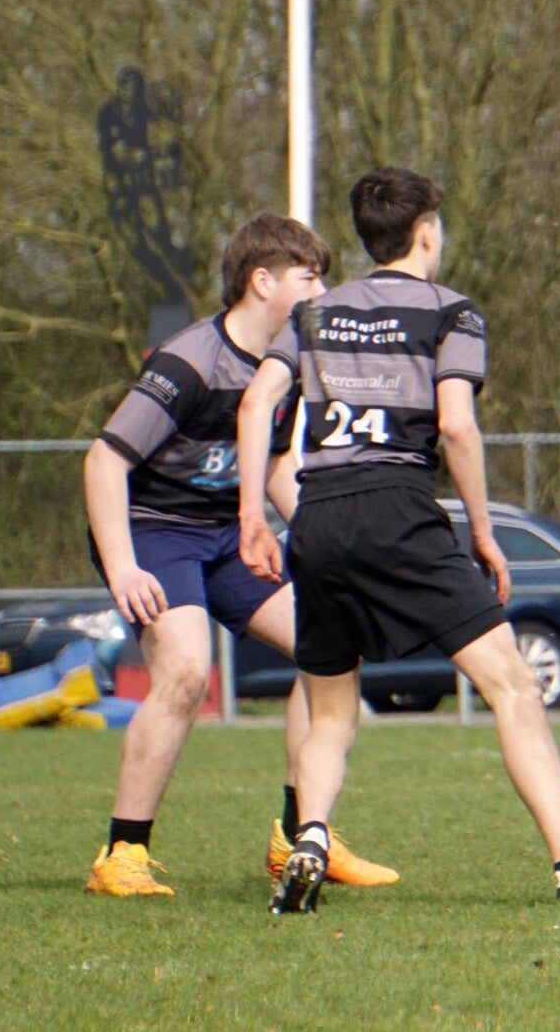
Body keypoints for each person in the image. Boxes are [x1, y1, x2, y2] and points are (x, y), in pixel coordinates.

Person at [235, 167, 560, 912]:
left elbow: (256, 405)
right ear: (425, 233)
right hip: (398, 510)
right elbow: (455, 427)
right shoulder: (451, 312)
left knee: (331, 711)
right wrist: (482, 530)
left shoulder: (314, 312)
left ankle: (309, 834)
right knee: (513, 684)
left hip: (318, 517)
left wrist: (254, 514)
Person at [81, 214, 398, 897]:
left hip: (228, 533)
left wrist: (321, 532)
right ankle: (121, 856)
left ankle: (297, 839)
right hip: (154, 530)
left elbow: (276, 460)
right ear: (262, 281)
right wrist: (123, 564)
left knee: (330, 647)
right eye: (309, 278)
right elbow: (104, 459)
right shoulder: (190, 362)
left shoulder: (289, 364)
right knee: (185, 671)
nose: (322, 292)